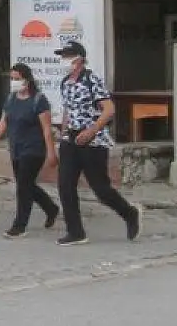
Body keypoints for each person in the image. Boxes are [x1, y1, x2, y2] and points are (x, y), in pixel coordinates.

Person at [54, 40, 143, 246]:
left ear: (80, 59)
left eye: (68, 56)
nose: (65, 60)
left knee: (100, 188)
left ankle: (130, 214)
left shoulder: (91, 80)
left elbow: (109, 109)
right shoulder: (65, 82)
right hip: (71, 139)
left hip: (93, 140)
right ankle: (75, 231)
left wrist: (92, 130)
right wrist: (63, 132)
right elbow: (68, 110)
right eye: (63, 56)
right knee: (65, 185)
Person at [0, 63, 60, 238]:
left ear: (27, 79)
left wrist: (51, 152)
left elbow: (47, 129)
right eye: (12, 78)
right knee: (27, 185)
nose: (14, 82)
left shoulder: (39, 100)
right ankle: (51, 208)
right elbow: (3, 123)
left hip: (33, 150)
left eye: (17, 78)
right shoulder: (11, 99)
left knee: (23, 187)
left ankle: (20, 225)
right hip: (16, 148)